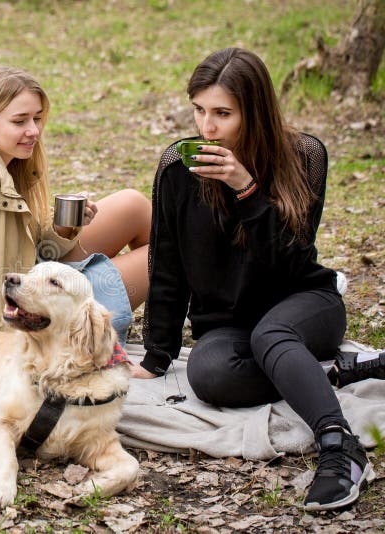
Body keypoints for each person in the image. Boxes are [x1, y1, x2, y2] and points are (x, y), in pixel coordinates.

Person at [137, 47, 383, 511]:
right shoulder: (177, 168)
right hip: (228, 326)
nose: (206, 127)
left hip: (305, 303)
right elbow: (166, 266)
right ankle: (334, 372)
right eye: (199, 110)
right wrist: (157, 353)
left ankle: (339, 446)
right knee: (207, 374)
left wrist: (246, 189)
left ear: (255, 113)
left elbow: (292, 262)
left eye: (223, 114)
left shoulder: (303, 156)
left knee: (273, 333)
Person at [0, 66, 151, 344]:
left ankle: (165, 312)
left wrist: (62, 228)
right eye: (19, 121)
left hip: (34, 272)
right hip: (18, 314)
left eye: (37, 118)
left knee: (132, 204)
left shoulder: (11, 167)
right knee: (162, 257)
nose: (34, 131)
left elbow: (32, 249)